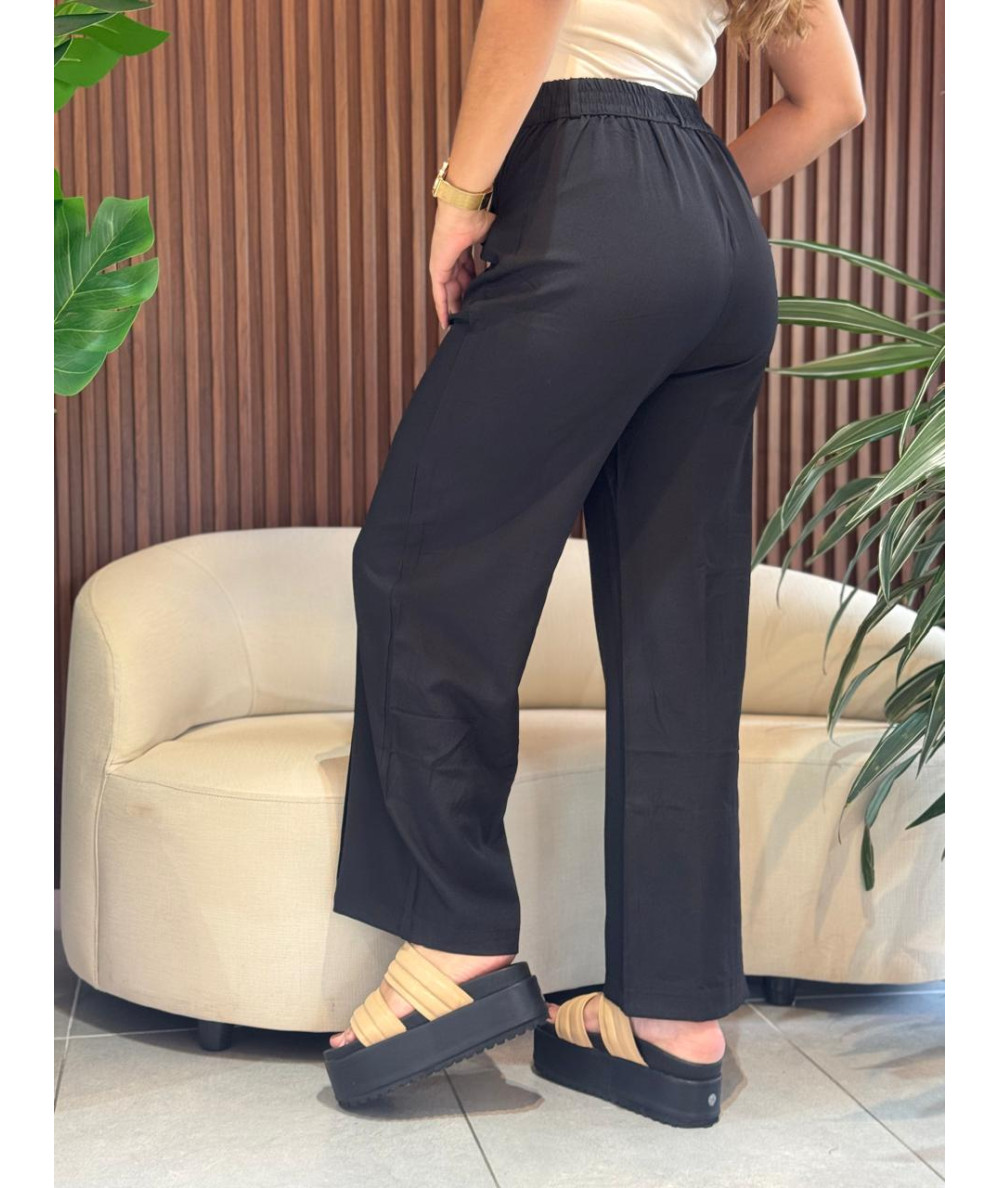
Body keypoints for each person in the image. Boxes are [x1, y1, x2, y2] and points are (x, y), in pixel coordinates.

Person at [324, 0, 865, 1125]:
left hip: (585, 183)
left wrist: (461, 200)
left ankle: (454, 937)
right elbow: (832, 102)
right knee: (680, 626)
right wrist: (685, 204)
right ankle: (673, 1016)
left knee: (423, 567)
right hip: (719, 235)